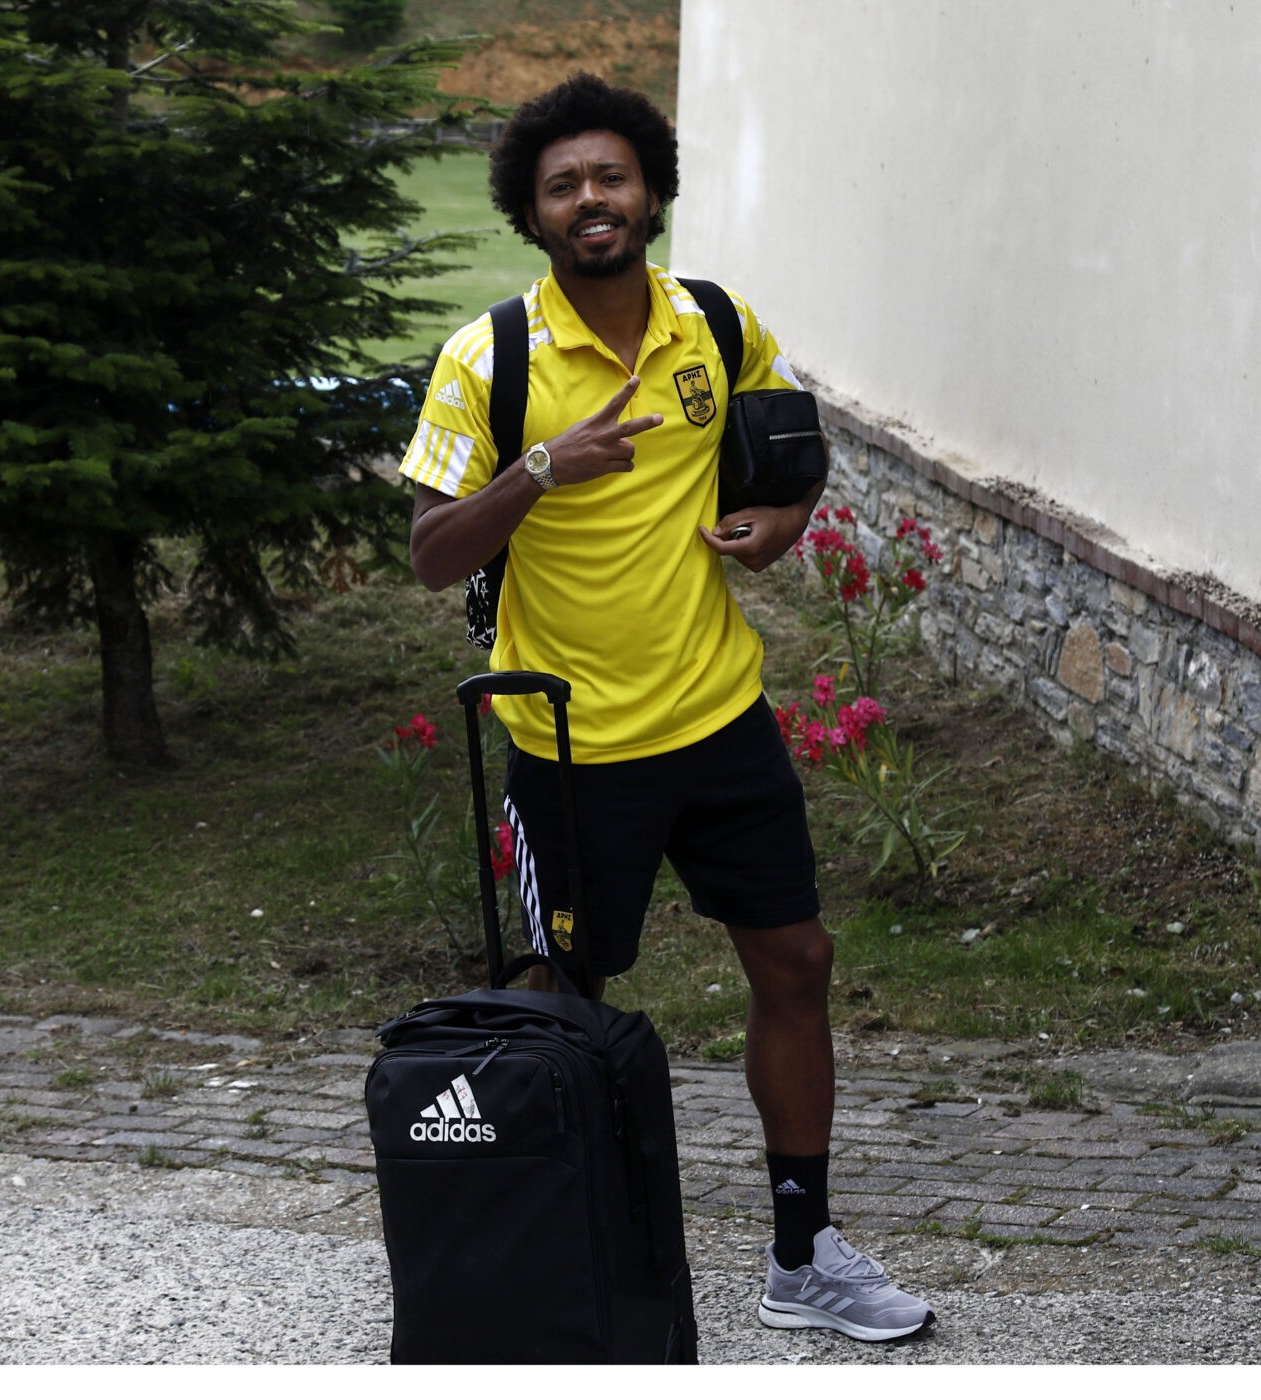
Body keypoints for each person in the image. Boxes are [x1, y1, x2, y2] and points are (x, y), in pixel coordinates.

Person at [398, 73, 933, 1344]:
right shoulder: (490, 358)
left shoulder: (715, 321)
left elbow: (791, 443)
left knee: (796, 961)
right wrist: (543, 465)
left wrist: (783, 521)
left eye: (611, 177)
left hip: (719, 717)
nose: (591, 199)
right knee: (559, 1000)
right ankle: (555, 1269)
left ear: (649, 193)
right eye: (563, 185)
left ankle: (802, 1253)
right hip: (570, 742)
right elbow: (429, 553)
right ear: (532, 212)